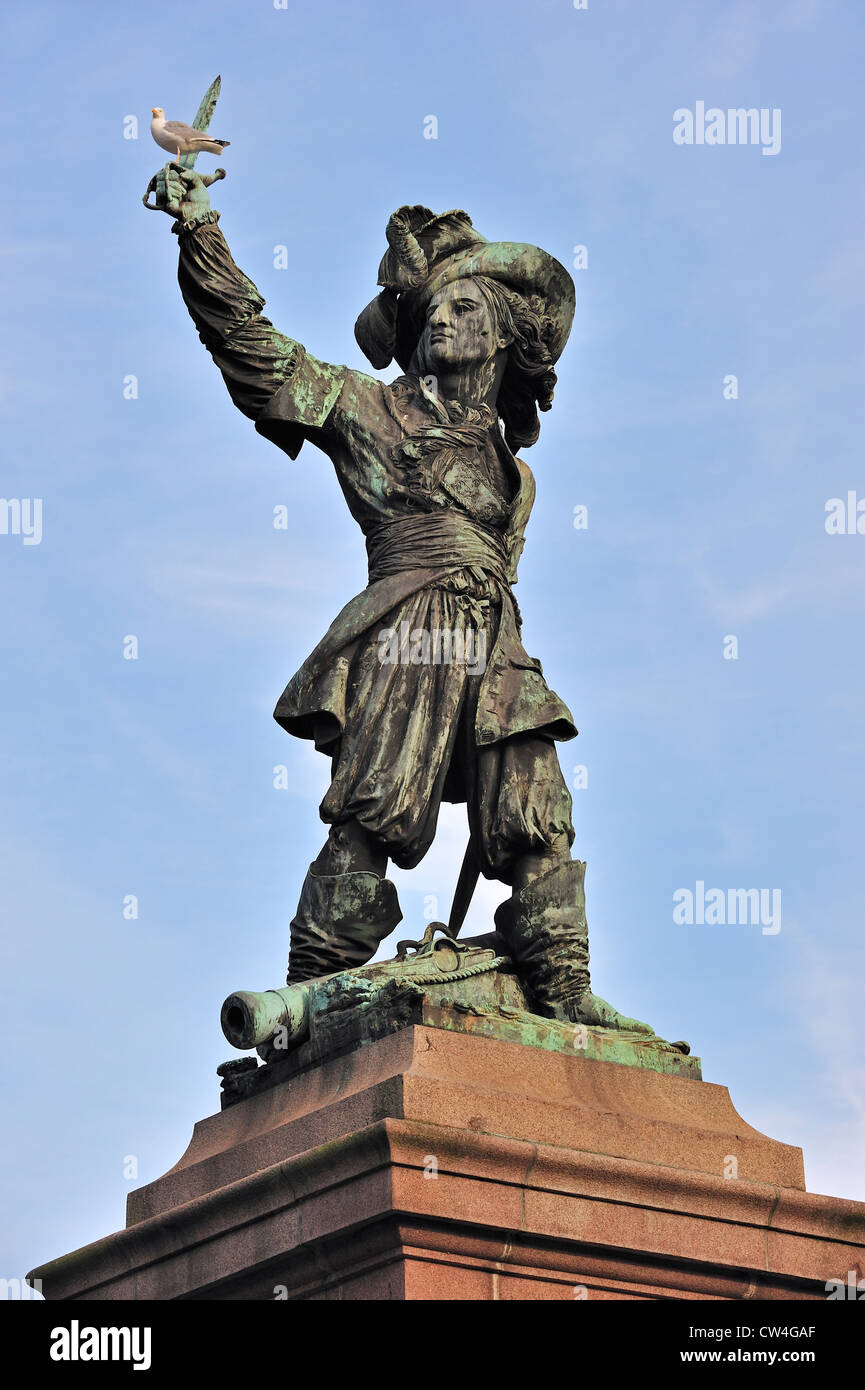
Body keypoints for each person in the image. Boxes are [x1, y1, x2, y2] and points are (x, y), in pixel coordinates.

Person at [147, 170, 652, 1034]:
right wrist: (199, 229)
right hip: (406, 632)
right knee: (370, 820)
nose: (441, 322)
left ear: (498, 335)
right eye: (431, 314)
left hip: (495, 643)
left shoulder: (516, 478)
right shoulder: (366, 409)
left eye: (462, 308)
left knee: (536, 816)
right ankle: (302, 1007)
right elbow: (253, 349)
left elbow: (503, 573)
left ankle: (563, 989)